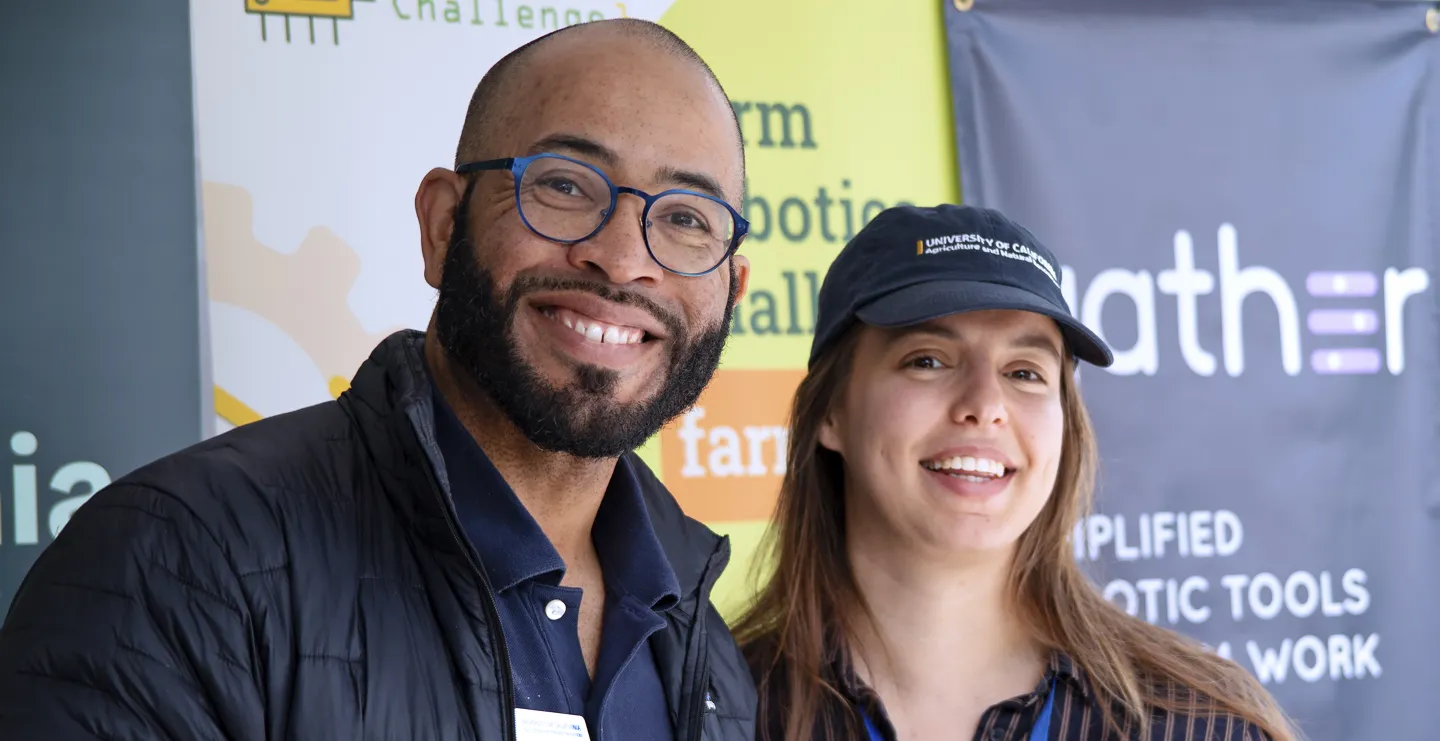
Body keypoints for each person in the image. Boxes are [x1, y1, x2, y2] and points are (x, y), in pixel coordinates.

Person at [0, 18, 758, 741]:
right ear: (442, 226)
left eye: (688, 218)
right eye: (564, 185)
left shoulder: (709, 652)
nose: (623, 258)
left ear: (733, 288)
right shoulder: (177, 564)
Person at [734, 204, 1297, 741]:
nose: (985, 403)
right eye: (927, 360)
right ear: (831, 412)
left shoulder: (1200, 724)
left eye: (1025, 371)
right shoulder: (716, 712)